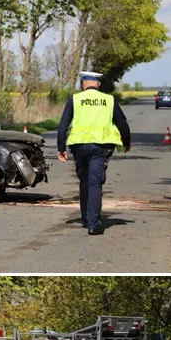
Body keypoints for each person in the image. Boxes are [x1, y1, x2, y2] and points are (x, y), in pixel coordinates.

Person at [56, 71, 131, 236]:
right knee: (95, 183)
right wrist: (126, 141)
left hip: (80, 147)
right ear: (98, 84)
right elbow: (122, 123)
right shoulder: (109, 100)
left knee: (84, 181)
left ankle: (85, 218)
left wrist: (61, 148)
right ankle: (94, 224)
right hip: (101, 147)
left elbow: (63, 126)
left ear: (83, 83)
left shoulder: (74, 100)